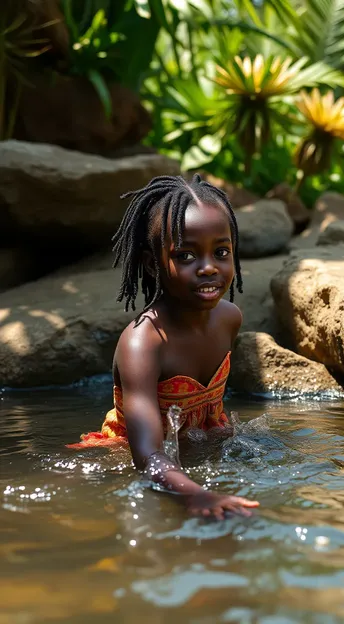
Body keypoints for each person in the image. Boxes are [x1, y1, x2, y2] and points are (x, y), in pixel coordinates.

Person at [68, 174, 259, 519]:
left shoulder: (230, 318)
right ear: (152, 264)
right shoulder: (144, 343)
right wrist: (196, 495)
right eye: (185, 255)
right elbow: (145, 454)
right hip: (127, 463)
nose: (208, 268)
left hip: (198, 450)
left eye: (221, 252)